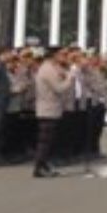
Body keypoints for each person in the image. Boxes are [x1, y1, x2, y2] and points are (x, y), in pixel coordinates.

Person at [32, 48, 73, 178]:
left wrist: (65, 71)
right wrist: (69, 79)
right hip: (47, 108)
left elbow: (62, 75)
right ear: (54, 55)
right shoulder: (47, 69)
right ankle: (39, 166)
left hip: (53, 107)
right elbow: (59, 88)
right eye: (62, 54)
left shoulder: (53, 67)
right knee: (45, 140)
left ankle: (44, 164)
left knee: (49, 140)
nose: (65, 57)